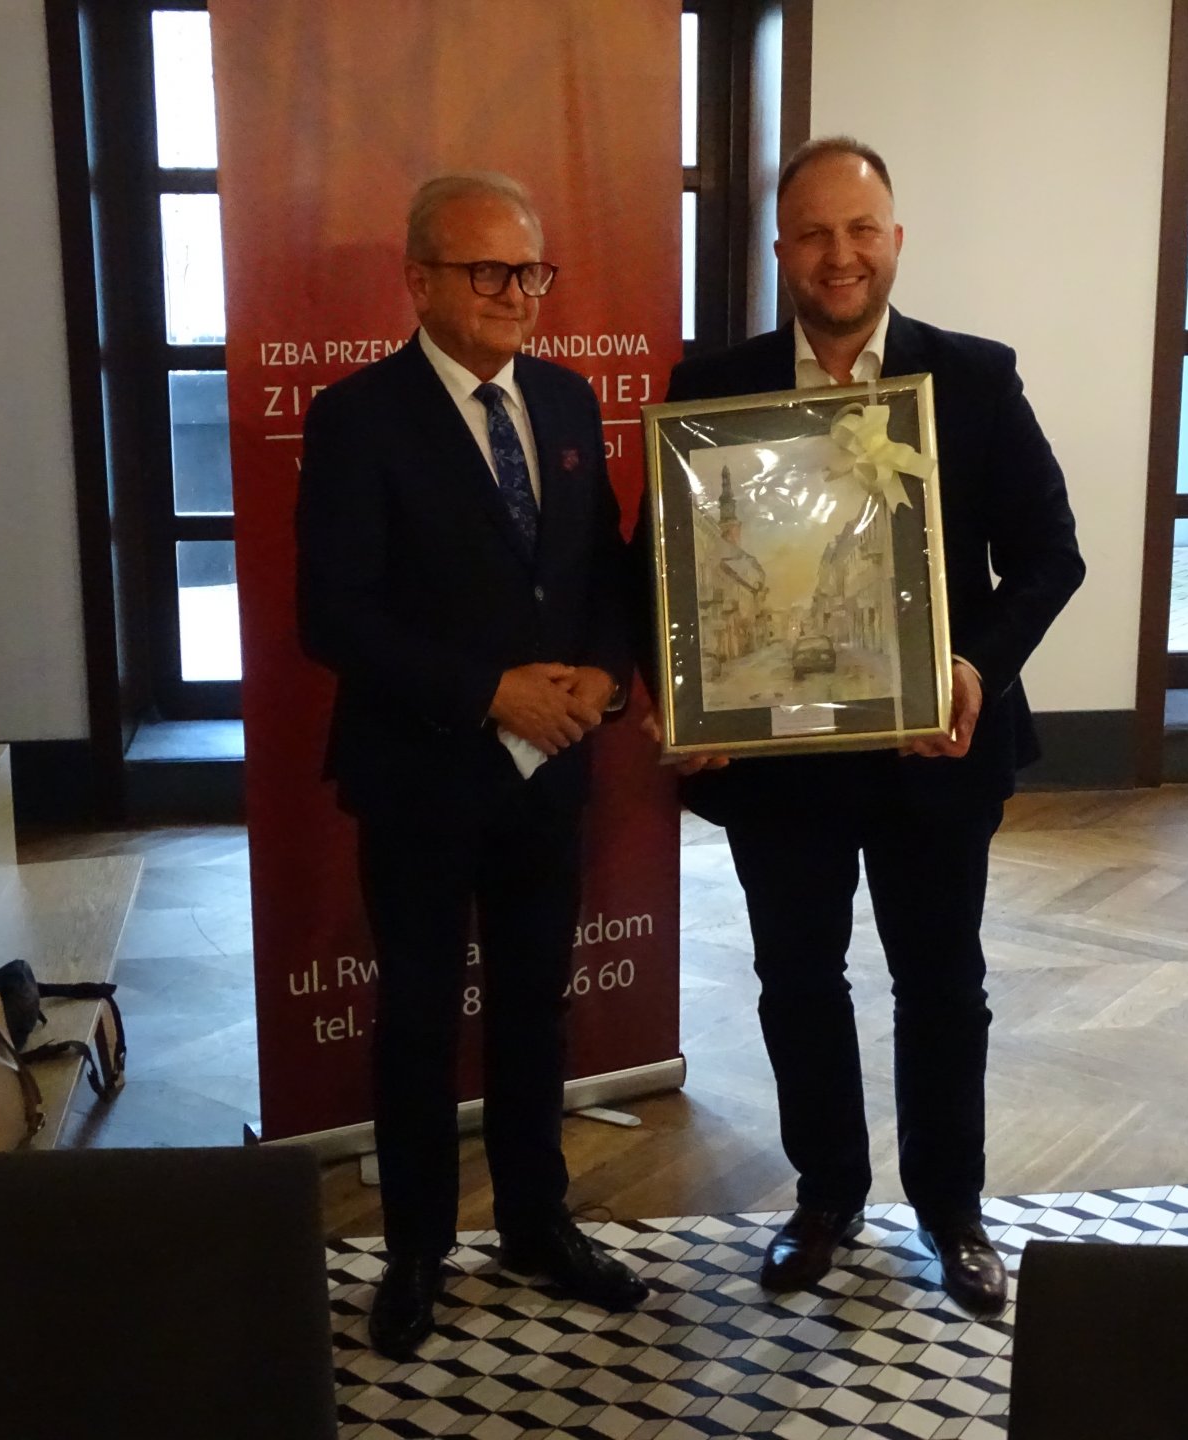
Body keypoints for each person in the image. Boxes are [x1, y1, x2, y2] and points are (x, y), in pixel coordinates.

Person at [647, 137, 1084, 1317]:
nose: (838, 255)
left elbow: (1051, 555)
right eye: (813, 234)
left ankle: (953, 1212)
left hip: (933, 748)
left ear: (895, 240)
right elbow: (662, 573)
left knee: (943, 984)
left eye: (859, 230)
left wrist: (973, 667)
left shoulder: (975, 379)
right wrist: (682, 693)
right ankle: (827, 1196)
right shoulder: (711, 388)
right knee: (797, 980)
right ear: (780, 250)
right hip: (775, 759)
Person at [296, 172, 649, 1360]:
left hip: (551, 769)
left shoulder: (565, 398)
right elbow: (335, 615)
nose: (517, 292)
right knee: (417, 1015)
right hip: (423, 771)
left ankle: (538, 1224)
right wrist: (490, 691)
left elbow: (602, 568)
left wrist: (602, 677)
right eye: (488, 270)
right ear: (419, 280)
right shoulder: (358, 418)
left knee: (536, 1008)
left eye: (530, 269)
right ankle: (416, 1251)